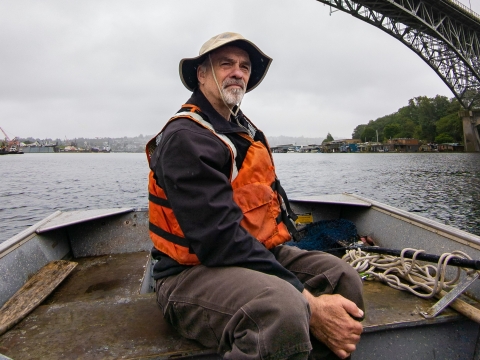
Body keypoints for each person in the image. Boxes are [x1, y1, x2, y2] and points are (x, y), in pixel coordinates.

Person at [146, 32, 364, 360]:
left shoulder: (239, 130)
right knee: (281, 309)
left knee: (342, 278)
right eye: (226, 64)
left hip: (249, 255)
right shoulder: (187, 138)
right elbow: (218, 240)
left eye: (245, 66)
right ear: (202, 75)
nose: (238, 72)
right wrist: (308, 301)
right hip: (189, 273)